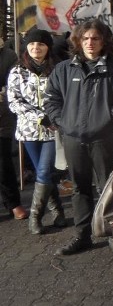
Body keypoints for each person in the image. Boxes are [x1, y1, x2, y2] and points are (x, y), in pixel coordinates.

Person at [44, 19, 113, 255]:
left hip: (106, 138)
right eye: (85, 38)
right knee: (80, 189)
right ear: (78, 40)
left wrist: (110, 117)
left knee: (109, 187)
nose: (90, 43)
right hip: (74, 138)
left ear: (104, 41)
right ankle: (82, 235)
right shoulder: (64, 69)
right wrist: (62, 122)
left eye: (95, 38)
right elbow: (51, 99)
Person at [7, 29, 67, 233]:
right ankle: (58, 211)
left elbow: (65, 95)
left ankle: (35, 217)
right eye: (32, 44)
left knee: (43, 171)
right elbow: (14, 101)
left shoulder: (59, 68)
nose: (36, 48)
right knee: (46, 172)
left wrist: (54, 116)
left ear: (48, 47)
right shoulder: (17, 70)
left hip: (53, 129)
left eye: (40, 44)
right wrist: (39, 117)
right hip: (29, 130)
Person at [0, 37, 27, 221]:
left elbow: (13, 85)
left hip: (2, 115)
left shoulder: (8, 55)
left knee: (3, 162)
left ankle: (13, 203)